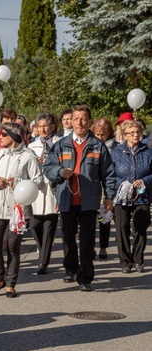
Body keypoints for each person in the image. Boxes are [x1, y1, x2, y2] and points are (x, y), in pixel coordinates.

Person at [44, 105, 116, 292]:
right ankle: (70, 268)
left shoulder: (97, 146)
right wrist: (61, 171)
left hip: (89, 201)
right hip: (67, 199)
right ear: (71, 121)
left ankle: (85, 278)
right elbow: (47, 169)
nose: (80, 123)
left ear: (89, 121)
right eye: (76, 119)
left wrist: (109, 197)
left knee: (87, 240)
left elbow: (108, 174)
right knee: (68, 238)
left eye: (83, 119)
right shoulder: (60, 145)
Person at [0, 123, 44, 297]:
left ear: (14, 136)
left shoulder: (28, 156)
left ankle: (10, 283)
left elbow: (39, 182)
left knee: (12, 246)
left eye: (3, 134)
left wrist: (18, 183)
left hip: (17, 210)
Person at [111, 120, 152, 273]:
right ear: (124, 135)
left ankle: (138, 260)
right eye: (132, 133)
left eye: (138, 132)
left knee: (140, 228)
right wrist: (122, 183)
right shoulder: (116, 152)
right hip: (121, 196)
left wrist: (144, 181)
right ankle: (125, 262)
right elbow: (110, 174)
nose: (136, 135)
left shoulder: (148, 152)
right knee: (122, 228)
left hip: (143, 196)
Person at [28, 112, 61, 274]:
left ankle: (43, 262)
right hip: (36, 190)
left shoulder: (60, 143)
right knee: (34, 224)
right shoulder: (32, 146)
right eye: (39, 126)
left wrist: (48, 163)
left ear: (52, 127)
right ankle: (43, 251)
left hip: (52, 189)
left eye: (45, 126)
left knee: (49, 225)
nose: (42, 129)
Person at [92, 118, 118, 260]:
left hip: (107, 186)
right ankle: (90, 246)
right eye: (97, 134)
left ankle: (103, 247)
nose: (100, 137)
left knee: (105, 219)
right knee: (89, 219)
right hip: (93, 186)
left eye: (103, 134)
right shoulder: (90, 145)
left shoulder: (115, 147)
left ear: (109, 134)